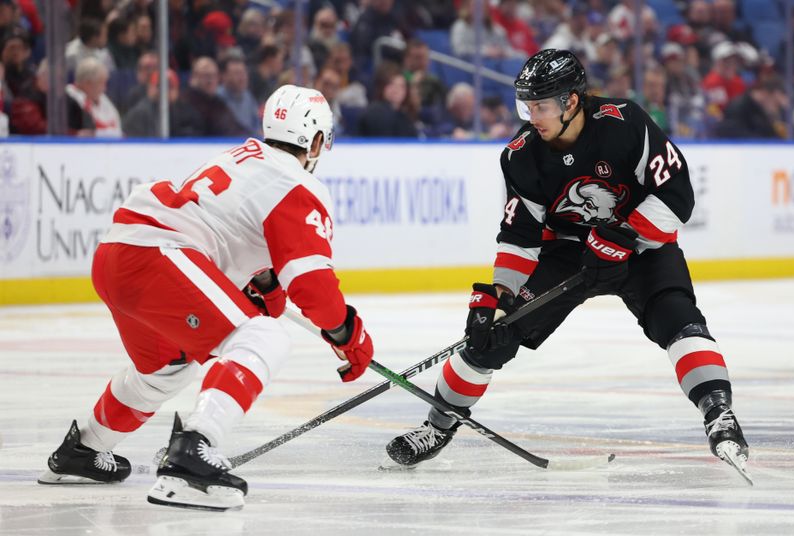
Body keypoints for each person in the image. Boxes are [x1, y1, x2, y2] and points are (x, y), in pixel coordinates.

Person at [384, 49, 750, 478]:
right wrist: (500, 298)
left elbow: (677, 194)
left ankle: (719, 413)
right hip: (567, 252)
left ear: (571, 101)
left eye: (539, 105)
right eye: (526, 105)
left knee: (680, 321)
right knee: (492, 338)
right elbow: (519, 236)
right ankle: (437, 426)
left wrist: (625, 236)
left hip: (641, 246)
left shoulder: (626, 124)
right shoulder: (522, 154)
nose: (530, 115)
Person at [39, 85, 375, 512]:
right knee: (265, 339)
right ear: (314, 142)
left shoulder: (245, 158)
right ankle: (192, 457)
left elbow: (240, 248)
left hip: (119, 253)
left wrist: (267, 287)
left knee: (166, 367)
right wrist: (348, 331)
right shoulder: (296, 184)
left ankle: (82, 451)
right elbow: (314, 289)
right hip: (158, 255)